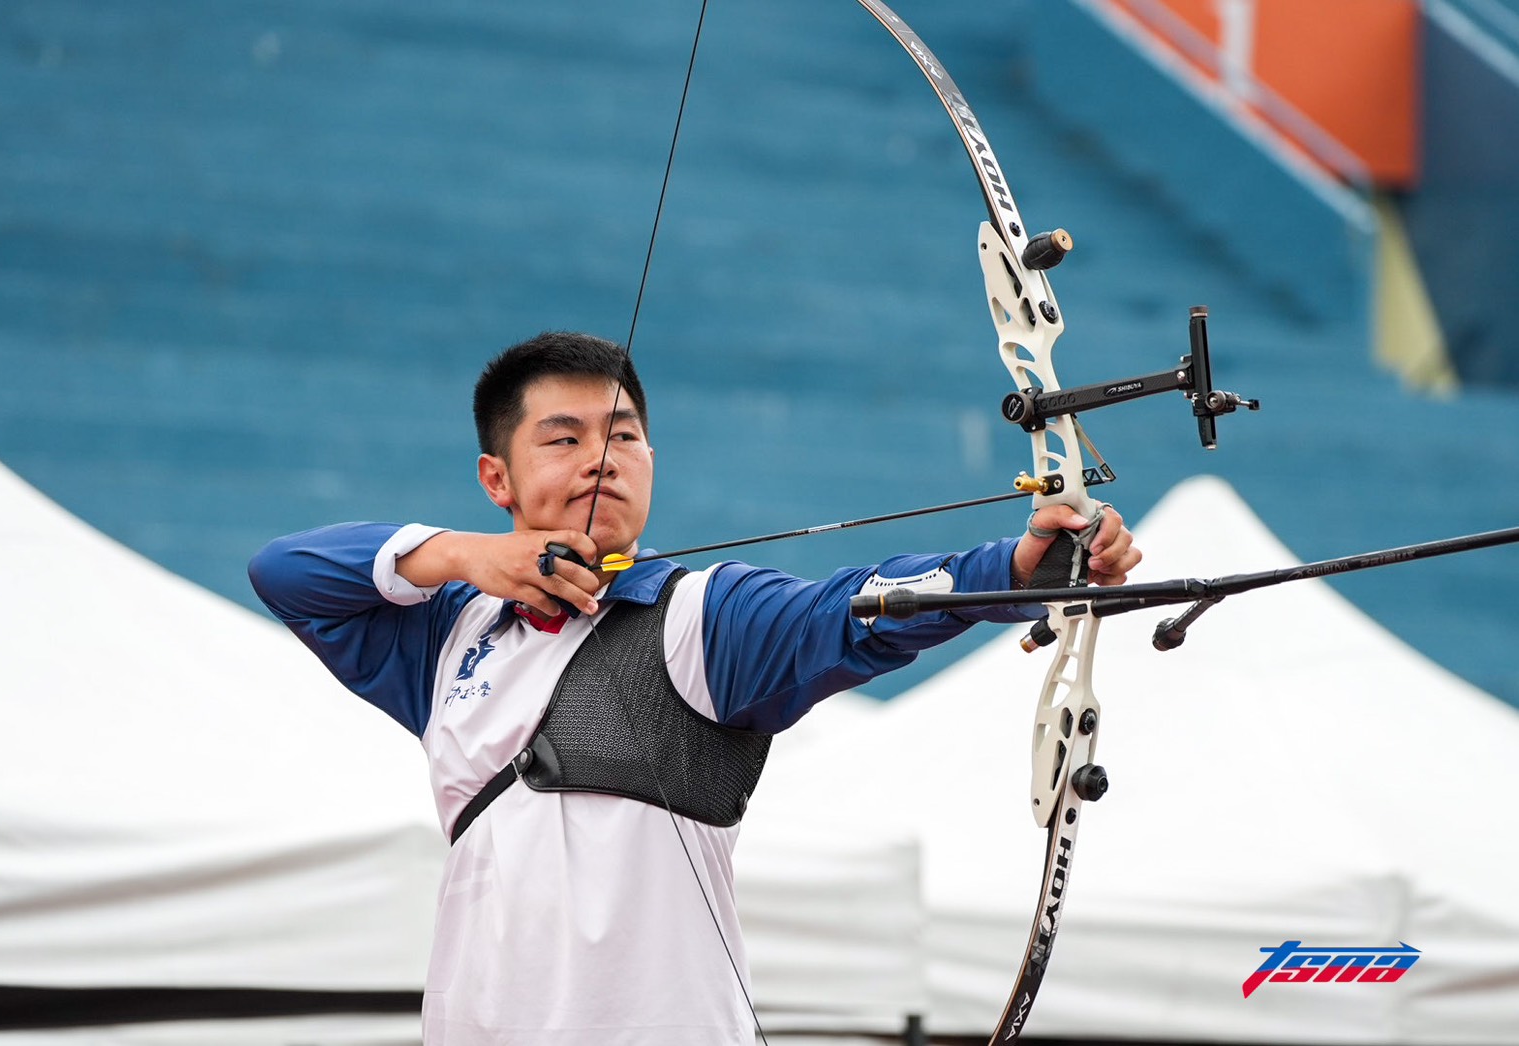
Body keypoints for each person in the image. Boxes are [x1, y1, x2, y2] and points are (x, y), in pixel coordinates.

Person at [248, 330, 1141, 1046]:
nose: (602, 458)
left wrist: (1017, 565)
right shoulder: (448, 637)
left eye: (624, 435)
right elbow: (283, 571)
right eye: (562, 439)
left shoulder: (701, 619)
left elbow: (853, 609)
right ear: (497, 479)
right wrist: (457, 557)